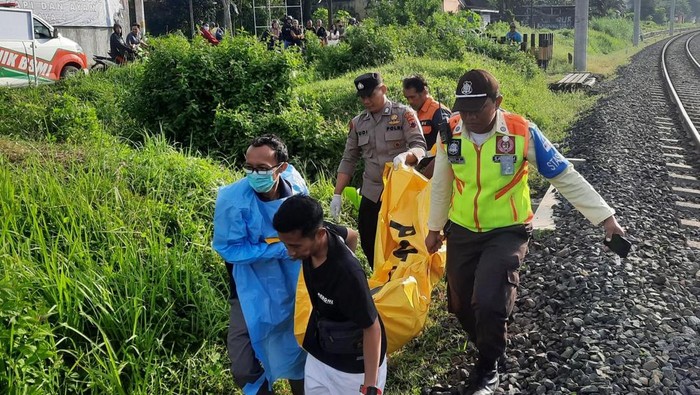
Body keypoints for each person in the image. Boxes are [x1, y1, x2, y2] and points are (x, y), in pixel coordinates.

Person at [425, 69, 625, 394]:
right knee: (460, 304)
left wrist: (605, 218)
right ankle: (489, 341)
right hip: (461, 228)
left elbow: (564, 175)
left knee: (488, 301)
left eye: (478, 108)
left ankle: (488, 366)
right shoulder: (450, 130)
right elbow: (441, 183)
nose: (470, 116)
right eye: (464, 108)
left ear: (498, 102)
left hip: (508, 229)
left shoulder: (520, 132)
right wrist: (435, 227)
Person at [213, 135, 308, 395]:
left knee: (296, 344)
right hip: (249, 284)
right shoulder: (232, 199)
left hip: (292, 277)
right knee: (242, 359)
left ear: (281, 168)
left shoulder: (296, 187)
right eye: (249, 167)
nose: (254, 174)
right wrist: (276, 249)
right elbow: (227, 248)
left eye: (262, 168)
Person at [273, 195, 387, 395]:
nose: (290, 253)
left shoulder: (347, 275)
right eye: (286, 245)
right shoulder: (321, 232)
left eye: (296, 246)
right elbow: (351, 235)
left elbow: (372, 328)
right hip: (321, 351)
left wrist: (370, 387)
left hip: (352, 368)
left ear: (319, 234)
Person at [331, 72, 427, 269]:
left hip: (400, 194)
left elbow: (419, 147)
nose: (366, 101)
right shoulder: (358, 123)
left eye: (370, 95)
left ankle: (401, 284)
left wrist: (405, 157)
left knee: (403, 245)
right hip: (372, 192)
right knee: (369, 241)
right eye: (362, 97)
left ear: (383, 90)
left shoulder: (403, 114)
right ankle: (380, 282)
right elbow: (349, 158)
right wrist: (337, 194)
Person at [402, 74, 452, 178]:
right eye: (407, 98)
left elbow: (449, 147)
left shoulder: (438, 111)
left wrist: (428, 172)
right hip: (420, 168)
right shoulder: (415, 113)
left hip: (436, 171)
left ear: (424, 92)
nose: (410, 101)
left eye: (413, 97)